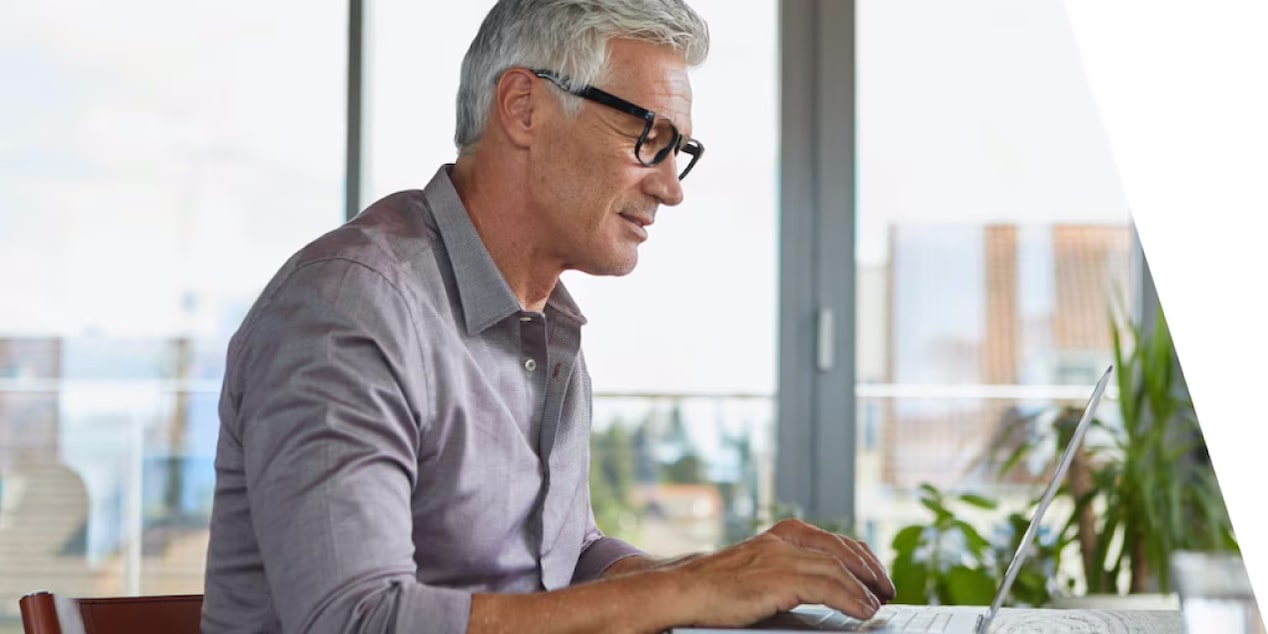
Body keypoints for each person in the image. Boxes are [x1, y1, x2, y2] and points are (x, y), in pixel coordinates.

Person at [201, 1, 895, 632]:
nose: (670, 187)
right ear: (525, 107)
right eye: (647, 136)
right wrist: (682, 596)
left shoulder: (545, 324)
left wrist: (721, 578)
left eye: (679, 150)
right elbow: (354, 620)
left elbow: (559, 561)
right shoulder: (349, 308)